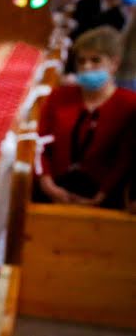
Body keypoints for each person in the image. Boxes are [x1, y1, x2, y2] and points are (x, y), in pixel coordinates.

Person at [37, 26, 136, 208]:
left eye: (95, 60)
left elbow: (126, 157)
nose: (87, 67)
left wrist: (101, 195)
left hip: (103, 194)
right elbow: (41, 143)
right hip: (54, 187)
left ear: (114, 64)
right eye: (81, 61)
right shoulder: (60, 97)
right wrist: (47, 182)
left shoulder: (129, 104)